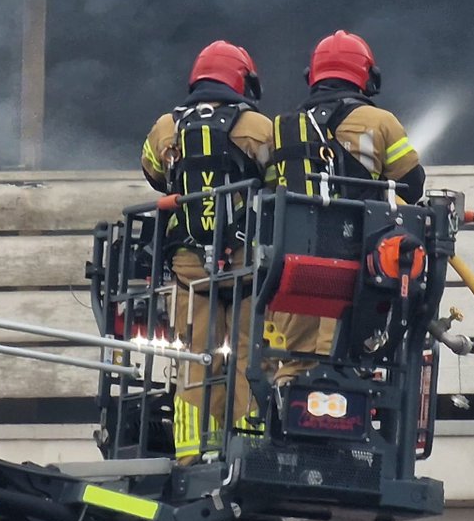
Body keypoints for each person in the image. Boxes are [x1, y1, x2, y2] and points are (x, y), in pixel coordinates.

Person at [141, 40, 273, 463]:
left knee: (196, 357)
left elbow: (154, 176)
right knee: (248, 356)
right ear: (242, 80)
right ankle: (247, 449)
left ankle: (190, 451)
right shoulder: (258, 127)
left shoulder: (166, 126)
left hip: (188, 266)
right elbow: (279, 184)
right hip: (245, 263)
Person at [270, 30, 425, 381]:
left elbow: (268, 190)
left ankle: (284, 407)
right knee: (353, 366)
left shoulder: (282, 128)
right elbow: (412, 185)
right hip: (363, 268)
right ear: (367, 76)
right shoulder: (380, 122)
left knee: (295, 365)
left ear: (313, 76)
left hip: (295, 270)